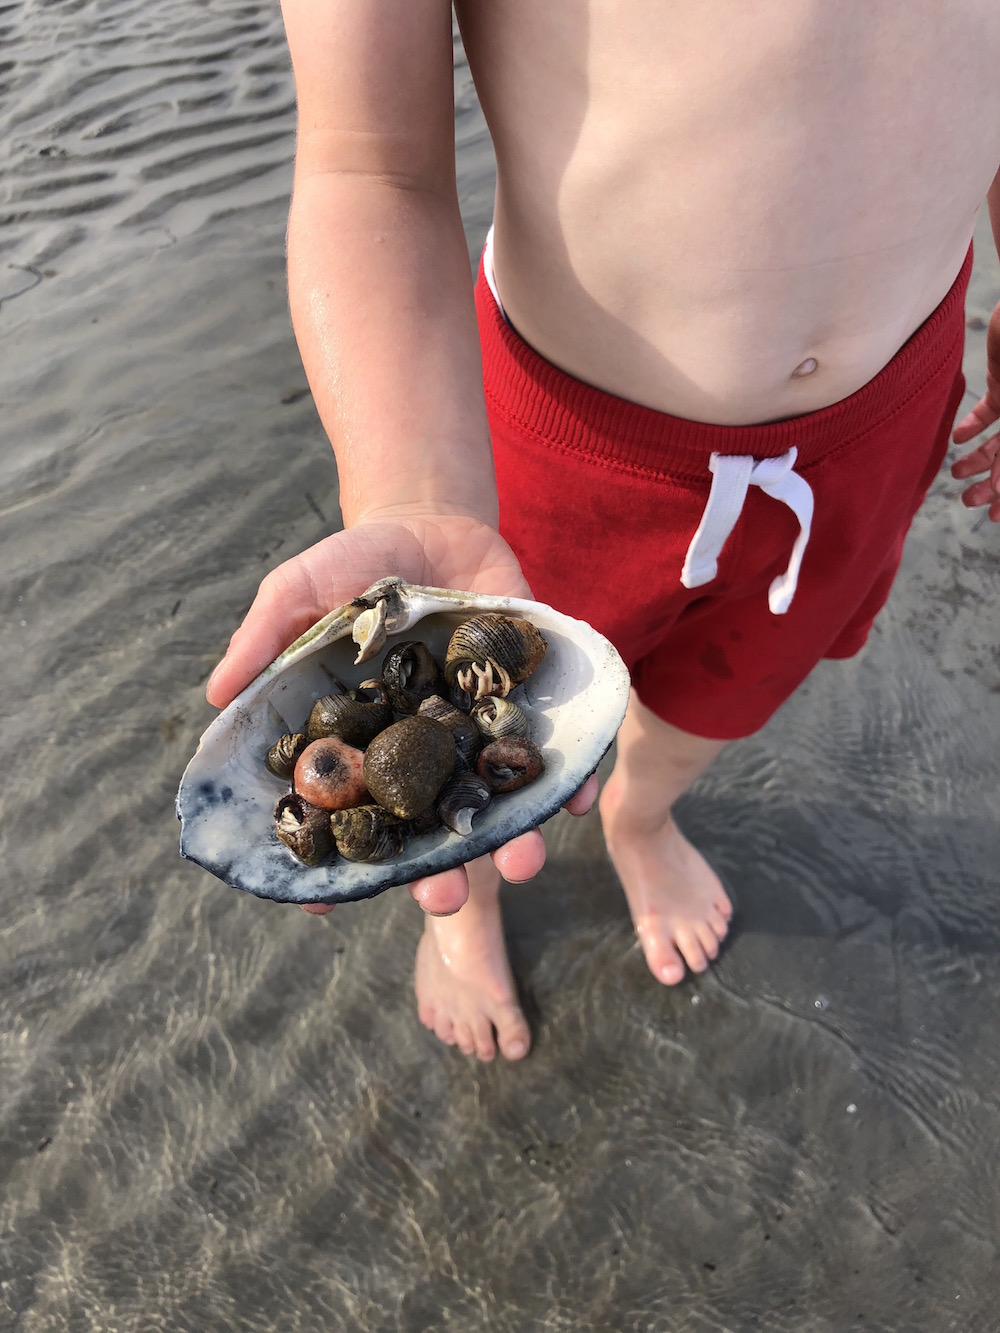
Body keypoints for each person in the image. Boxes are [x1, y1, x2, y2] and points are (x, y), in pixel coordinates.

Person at [206, 2, 1000, 1064]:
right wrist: (415, 496)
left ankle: (642, 815)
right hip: (566, 453)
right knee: (483, 718)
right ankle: (463, 901)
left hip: (873, 433)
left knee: (728, 688)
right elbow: (371, 166)